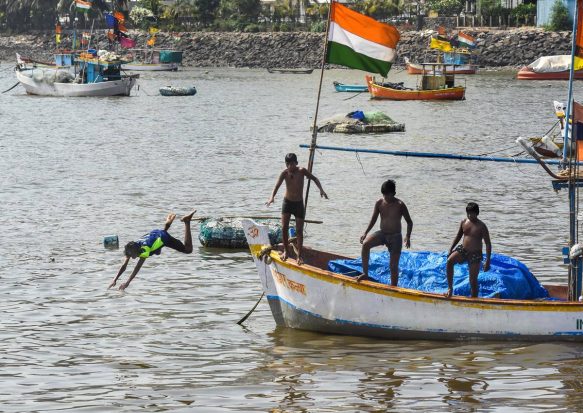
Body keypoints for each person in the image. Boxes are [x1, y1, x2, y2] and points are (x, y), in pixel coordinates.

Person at [109, 210, 196, 291]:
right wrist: (115, 279)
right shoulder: (131, 247)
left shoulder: (144, 250)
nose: (132, 257)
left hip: (164, 238)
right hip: (155, 233)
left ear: (137, 251)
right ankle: (167, 224)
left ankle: (186, 221)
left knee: (188, 250)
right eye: (130, 256)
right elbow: (124, 266)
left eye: (132, 256)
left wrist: (127, 282)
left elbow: (137, 268)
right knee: (157, 250)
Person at [266, 153, 328, 265]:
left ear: (296, 163)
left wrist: (321, 190)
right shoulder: (284, 173)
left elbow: (314, 179)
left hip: (299, 204)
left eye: (292, 164)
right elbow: (276, 186)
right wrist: (272, 197)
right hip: (287, 203)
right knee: (284, 227)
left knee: (299, 231)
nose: (290, 166)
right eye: (288, 164)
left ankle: (299, 255)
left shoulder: (302, 171)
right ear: (286, 164)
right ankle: (286, 251)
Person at [358, 179, 413, 286]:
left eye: (388, 195)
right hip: (382, 234)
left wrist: (408, 236)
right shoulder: (379, 203)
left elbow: (409, 222)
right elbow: (373, 219)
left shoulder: (400, 204)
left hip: (395, 237)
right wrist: (365, 232)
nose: (385, 198)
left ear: (394, 194)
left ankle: (393, 287)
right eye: (384, 195)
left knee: (393, 266)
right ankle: (365, 273)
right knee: (365, 245)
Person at [445, 202, 491, 298]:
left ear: (477, 213)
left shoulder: (482, 226)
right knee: (449, 261)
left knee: (473, 280)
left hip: (475, 254)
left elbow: (488, 243)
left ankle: (474, 299)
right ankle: (450, 288)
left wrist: (487, 260)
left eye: (472, 213)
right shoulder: (464, 222)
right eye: (468, 213)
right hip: (463, 250)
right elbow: (458, 236)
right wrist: (451, 248)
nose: (470, 215)